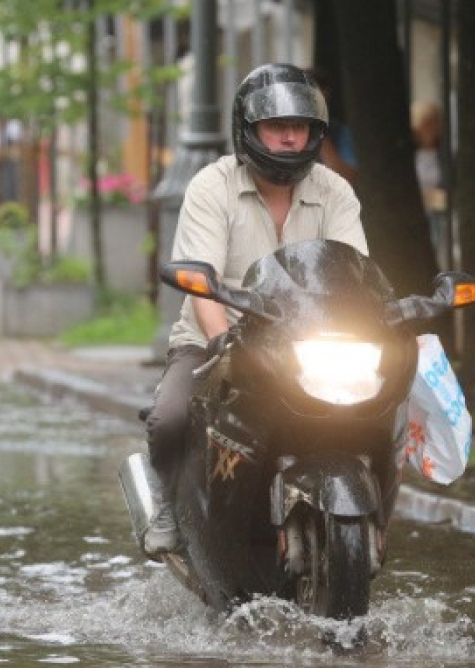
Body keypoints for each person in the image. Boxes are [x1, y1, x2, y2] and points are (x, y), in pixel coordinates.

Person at [141, 63, 369, 558]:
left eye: (300, 126)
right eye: (276, 126)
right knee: (171, 417)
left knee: (380, 408)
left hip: (307, 347)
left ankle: (368, 511)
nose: (289, 138)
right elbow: (201, 284)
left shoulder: (336, 192)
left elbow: (355, 275)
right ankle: (165, 503)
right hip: (216, 339)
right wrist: (223, 341)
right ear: (248, 130)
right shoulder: (211, 186)